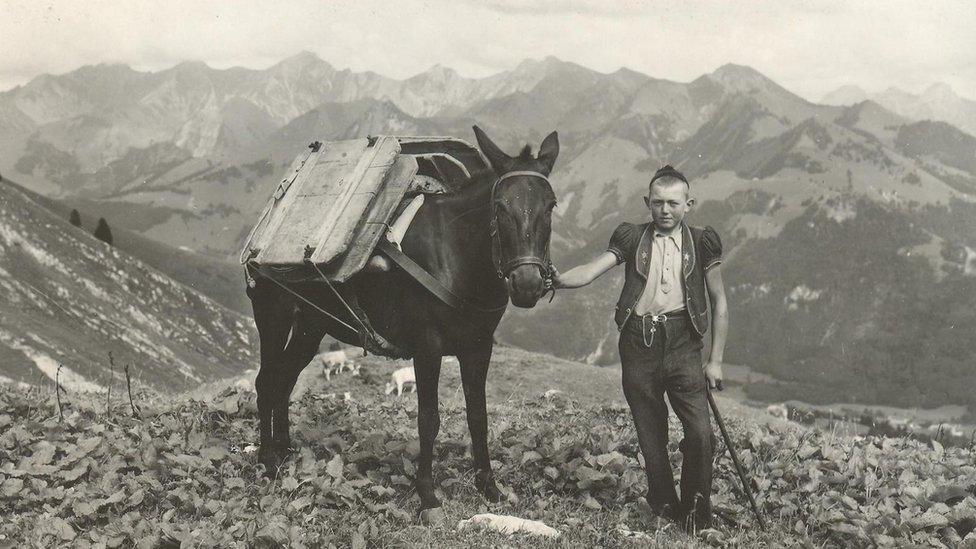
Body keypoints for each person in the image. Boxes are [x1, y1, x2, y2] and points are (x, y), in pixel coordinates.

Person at [553, 165, 728, 530]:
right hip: (638, 342)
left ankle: (696, 513)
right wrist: (556, 280)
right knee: (651, 433)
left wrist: (716, 361)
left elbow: (720, 302)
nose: (665, 210)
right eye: (658, 203)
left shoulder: (701, 241)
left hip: (684, 343)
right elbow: (590, 270)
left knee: (700, 433)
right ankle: (665, 506)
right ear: (647, 203)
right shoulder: (633, 237)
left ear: (688, 204)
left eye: (673, 203)